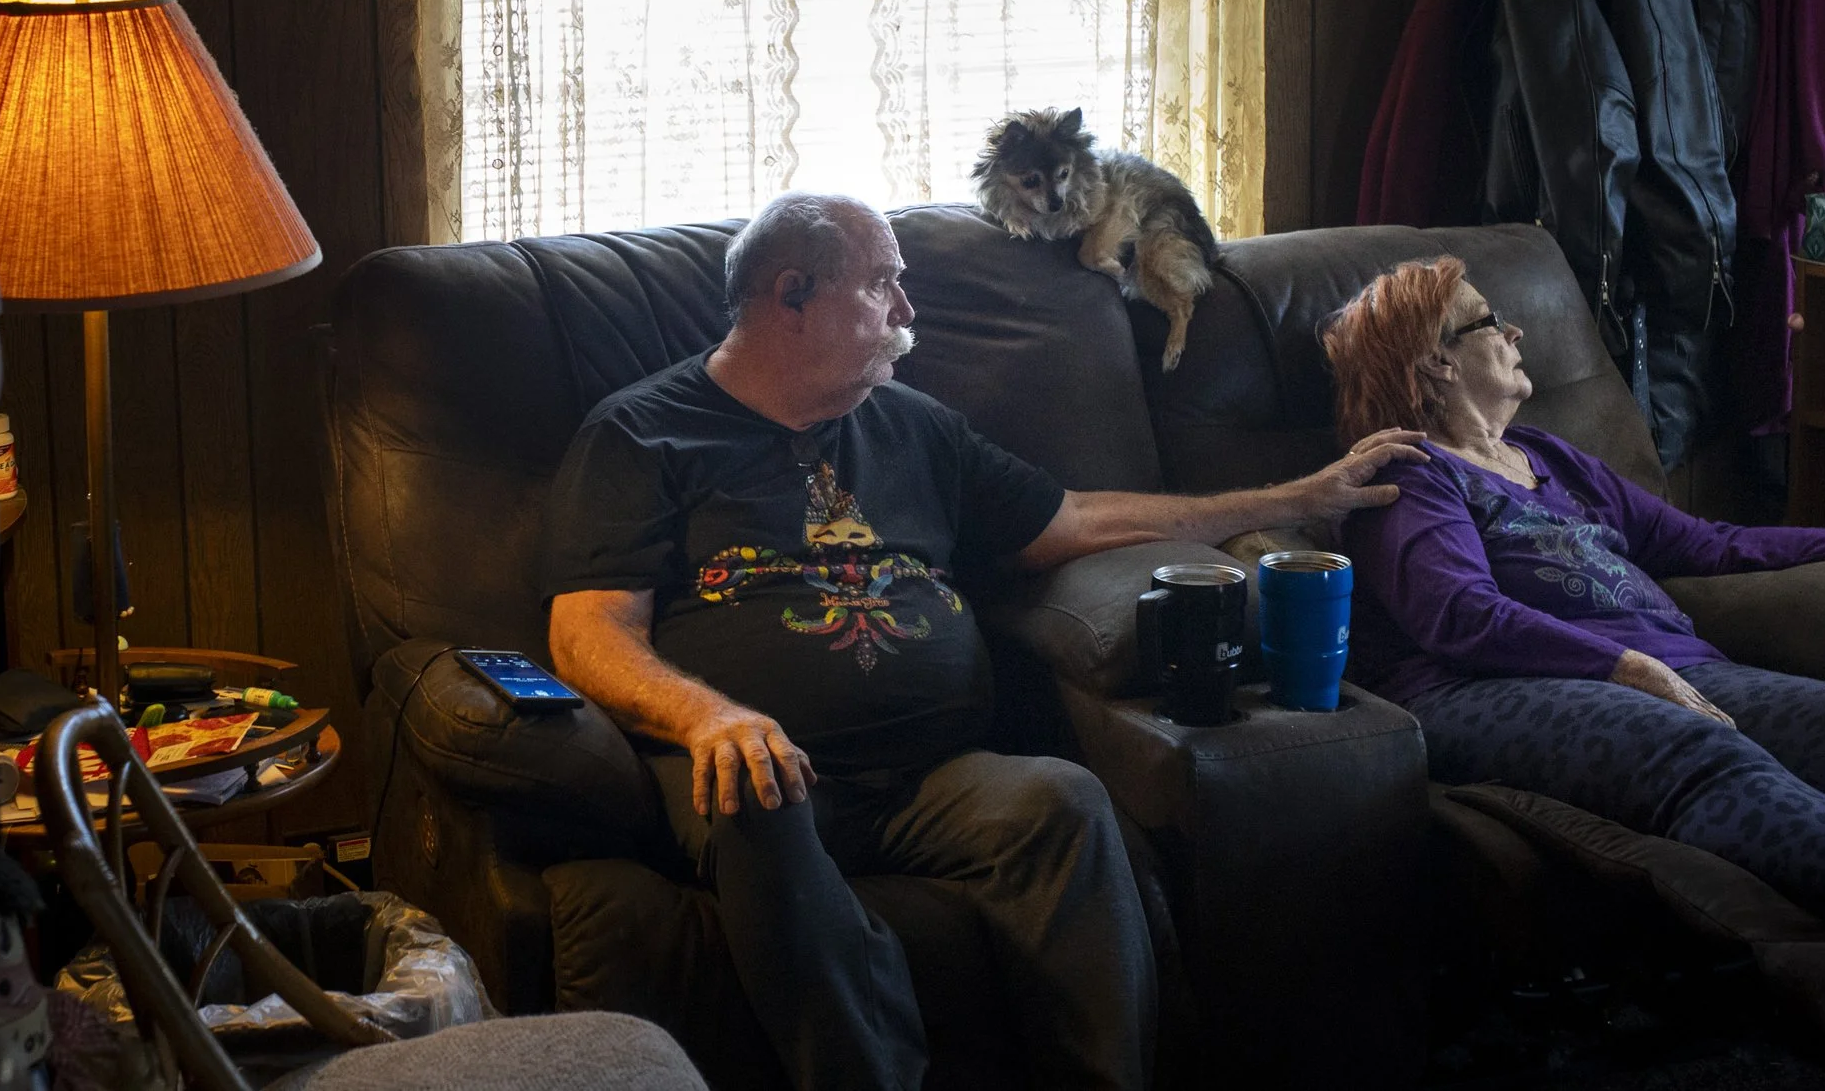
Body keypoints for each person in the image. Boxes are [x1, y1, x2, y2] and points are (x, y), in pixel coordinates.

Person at [542, 193, 1425, 1091]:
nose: (907, 311)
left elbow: (1075, 519)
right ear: (793, 294)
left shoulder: (912, 424)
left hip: (931, 772)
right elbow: (587, 631)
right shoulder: (644, 431)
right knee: (759, 792)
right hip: (767, 774)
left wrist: (1294, 498)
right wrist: (710, 718)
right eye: (884, 284)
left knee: (1061, 800)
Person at [1320, 256, 1825, 1046]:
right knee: (1691, 742)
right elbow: (1460, 615)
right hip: (1486, 686)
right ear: (1436, 360)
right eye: (1488, 319)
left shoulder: (1550, 456)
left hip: (1669, 667)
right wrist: (1624, 665)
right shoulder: (1410, 475)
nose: (1514, 331)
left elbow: (1706, 542)